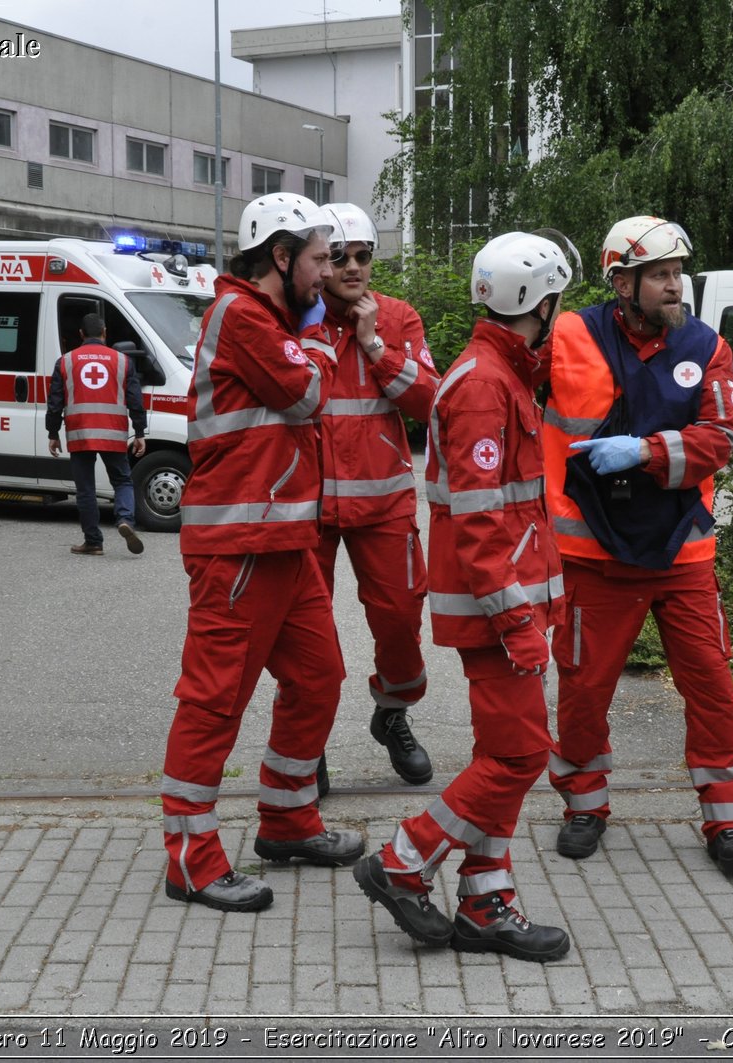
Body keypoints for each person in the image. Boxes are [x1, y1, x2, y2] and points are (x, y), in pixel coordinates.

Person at [354, 231, 572, 963]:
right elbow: (482, 522)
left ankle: (486, 900)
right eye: (556, 301)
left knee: (505, 753)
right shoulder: (484, 384)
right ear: (539, 303)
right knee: (519, 755)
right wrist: (518, 617)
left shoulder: (499, 373)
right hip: (495, 614)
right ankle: (405, 858)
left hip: (506, 607)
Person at [159, 193, 364, 913]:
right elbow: (307, 393)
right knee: (215, 700)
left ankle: (285, 819)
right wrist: (316, 337)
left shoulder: (267, 318)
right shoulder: (243, 314)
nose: (327, 273)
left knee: (319, 676)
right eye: (317, 258)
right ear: (280, 257)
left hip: (282, 540)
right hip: (239, 543)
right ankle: (190, 856)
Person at [541, 215, 733, 874]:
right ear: (622, 282)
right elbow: (507, 389)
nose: (675, 285)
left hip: (682, 550)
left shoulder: (707, 345)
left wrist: (642, 450)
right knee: (583, 689)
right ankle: (584, 804)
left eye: (677, 273)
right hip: (594, 554)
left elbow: (720, 436)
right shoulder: (568, 334)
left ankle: (727, 821)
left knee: (713, 685)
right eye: (660, 275)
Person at [311, 203, 439, 791]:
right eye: (340, 257)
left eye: (364, 256)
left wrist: (374, 347)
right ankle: (303, 740)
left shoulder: (397, 317)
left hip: (383, 504)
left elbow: (430, 402)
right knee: (306, 634)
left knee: (399, 620)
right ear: (319, 261)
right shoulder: (294, 319)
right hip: (308, 508)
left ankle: (392, 713)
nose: (355, 267)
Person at [46, 313, 145, 556]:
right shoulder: (122, 361)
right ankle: (125, 520)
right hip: (112, 431)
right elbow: (135, 400)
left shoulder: (66, 361)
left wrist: (53, 432)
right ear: (104, 333)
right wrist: (140, 432)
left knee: (86, 489)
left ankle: (93, 542)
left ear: (81, 335)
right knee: (122, 480)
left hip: (80, 433)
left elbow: (55, 402)